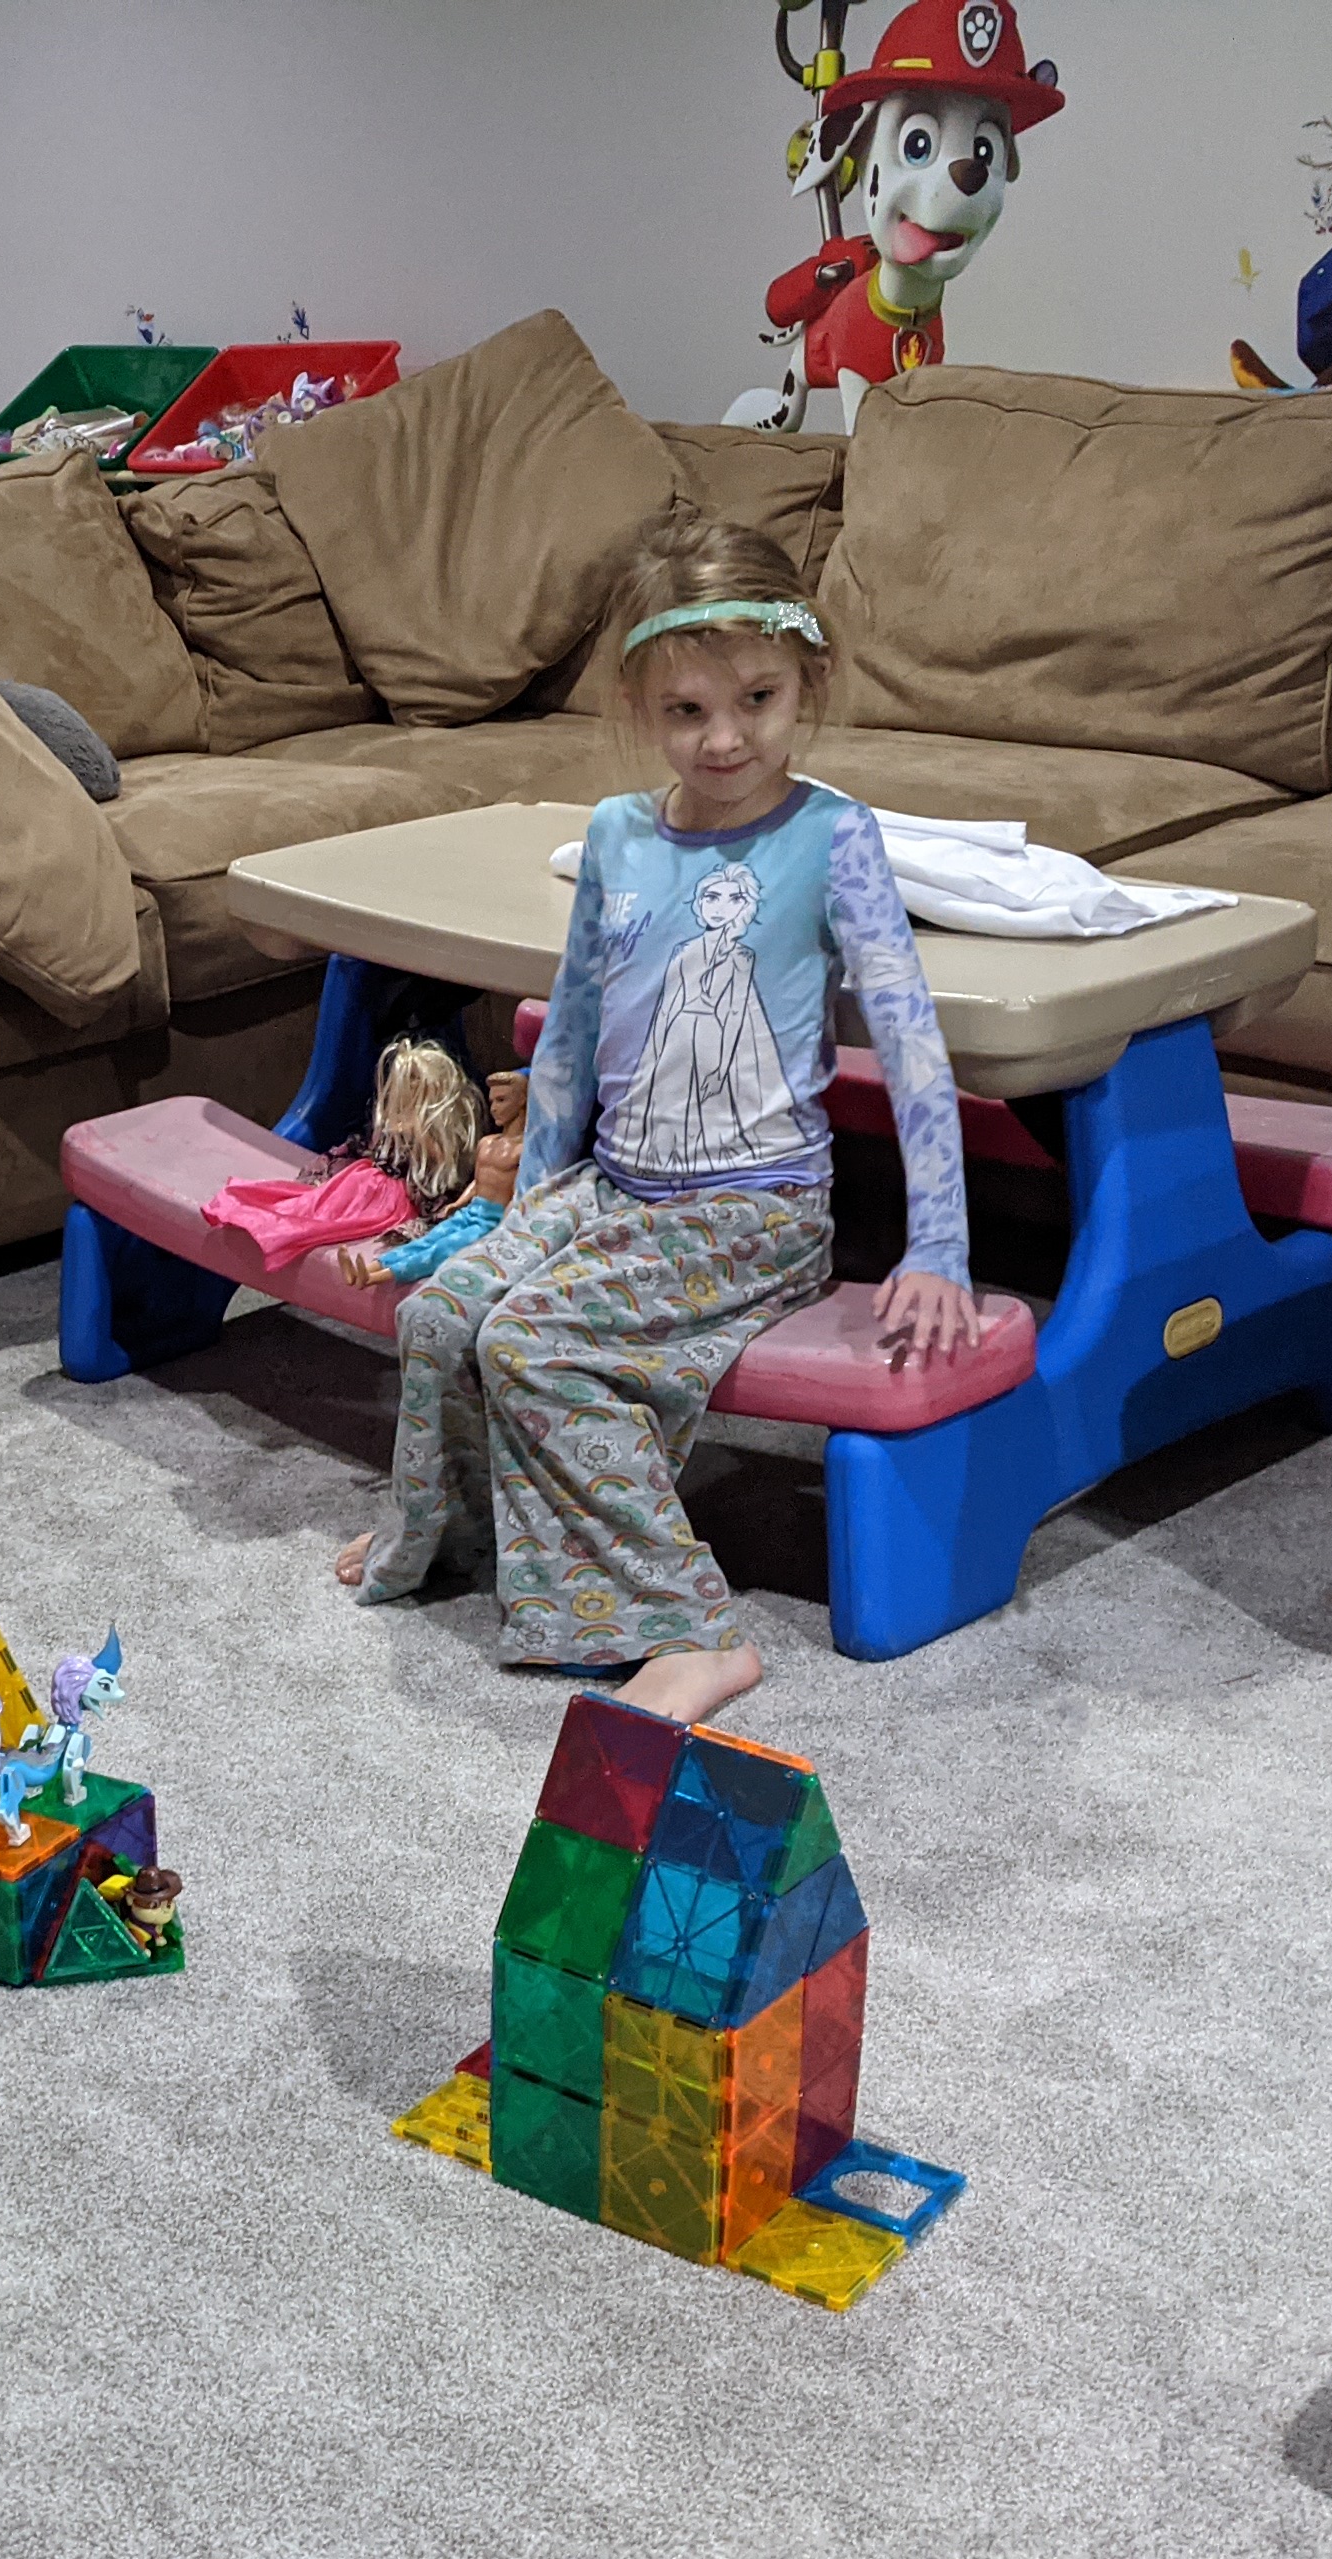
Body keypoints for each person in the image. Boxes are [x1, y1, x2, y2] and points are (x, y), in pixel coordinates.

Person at [336, 503, 980, 1723]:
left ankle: (687, 1624)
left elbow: (910, 1047)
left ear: (807, 683)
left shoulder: (835, 837)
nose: (724, 738)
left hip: (753, 1211)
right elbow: (572, 1038)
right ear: (640, 706)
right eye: (687, 710)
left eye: (758, 701)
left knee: (534, 1346)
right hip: (611, 1189)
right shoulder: (618, 835)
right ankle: (457, 1532)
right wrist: (526, 1213)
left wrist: (939, 1244)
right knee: (441, 1312)